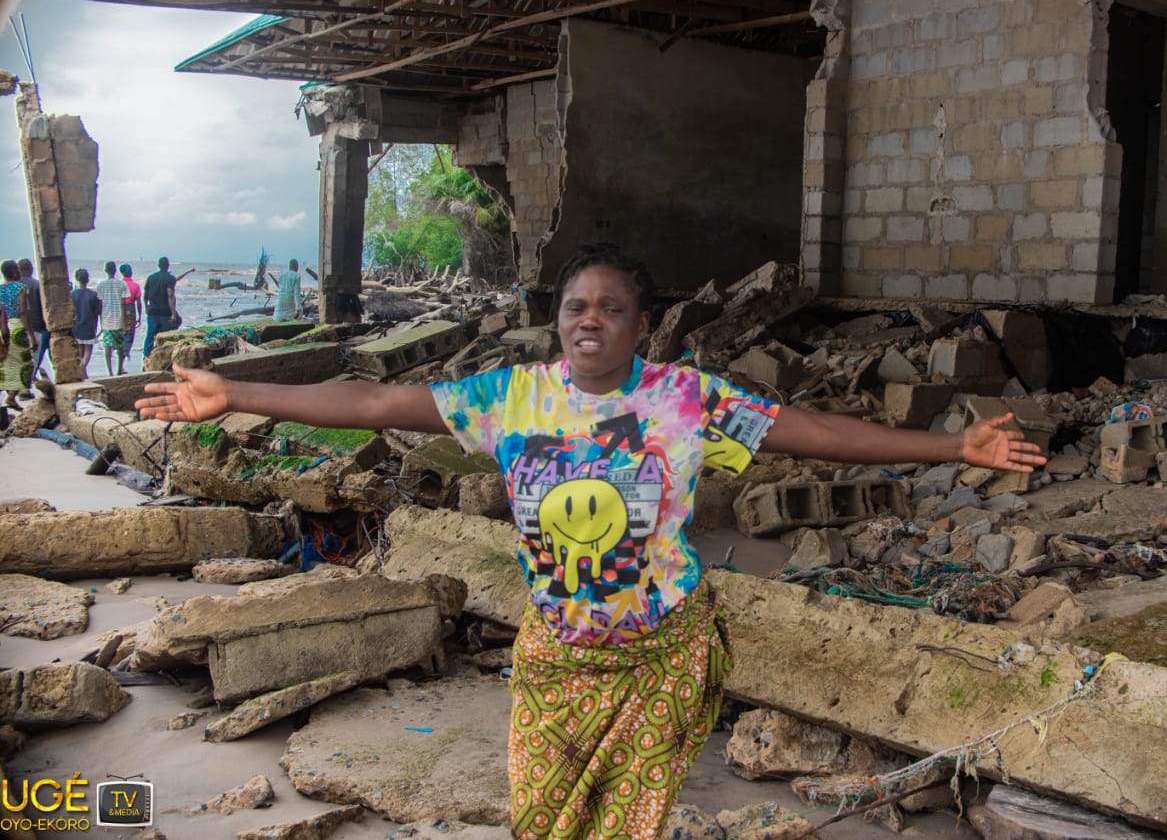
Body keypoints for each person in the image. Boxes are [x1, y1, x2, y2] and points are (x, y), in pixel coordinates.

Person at [137, 243, 1045, 839]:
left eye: (612, 308)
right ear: (557, 318)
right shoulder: (511, 399)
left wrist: (952, 444)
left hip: (662, 652)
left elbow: (822, 435)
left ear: (642, 326)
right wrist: (240, 393)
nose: (590, 318)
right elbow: (373, 402)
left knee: (623, 829)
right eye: (576, 305)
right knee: (542, 822)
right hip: (556, 656)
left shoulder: (686, 401)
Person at [0, 260, 34, 410]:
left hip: (1, 328)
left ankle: (10, 397)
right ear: (14, 272)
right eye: (18, 270)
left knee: (4, 363)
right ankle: (11, 396)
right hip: (15, 328)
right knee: (27, 364)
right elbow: (23, 312)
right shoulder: (21, 288)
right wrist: (31, 335)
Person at [17, 258, 48, 391]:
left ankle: (17, 390)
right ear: (30, 269)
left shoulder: (11, 286)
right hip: (35, 326)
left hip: (16, 327)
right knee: (32, 360)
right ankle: (24, 390)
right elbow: (44, 307)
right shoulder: (36, 285)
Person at [142, 256, 179, 358]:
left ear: (158, 265)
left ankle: (146, 356)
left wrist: (146, 307)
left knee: (150, 335)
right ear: (168, 266)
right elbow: (170, 295)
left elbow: (145, 295)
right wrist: (173, 313)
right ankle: (163, 357)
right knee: (165, 335)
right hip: (165, 312)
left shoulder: (151, 277)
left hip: (152, 311)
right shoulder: (170, 278)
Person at [97, 261, 129, 376]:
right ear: (115, 270)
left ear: (106, 270)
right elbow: (123, 304)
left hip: (106, 320)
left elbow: (100, 304)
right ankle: (119, 368)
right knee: (120, 346)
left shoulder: (101, 285)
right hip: (119, 319)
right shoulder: (122, 285)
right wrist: (125, 323)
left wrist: (100, 321)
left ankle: (110, 372)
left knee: (107, 346)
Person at [70, 267, 100, 373]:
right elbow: (96, 312)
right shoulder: (93, 295)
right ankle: (82, 369)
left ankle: (82, 372)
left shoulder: (73, 294)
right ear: (88, 279)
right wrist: (97, 326)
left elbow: (71, 312)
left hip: (77, 326)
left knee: (80, 351)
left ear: (77, 279)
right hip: (89, 325)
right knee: (88, 351)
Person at [119, 263, 142, 367]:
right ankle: (124, 358)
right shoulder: (135, 285)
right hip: (130, 310)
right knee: (129, 335)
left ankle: (120, 363)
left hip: (120, 310)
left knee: (121, 336)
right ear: (130, 272)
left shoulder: (119, 284)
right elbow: (138, 302)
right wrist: (139, 316)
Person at [273, 258, 303, 322]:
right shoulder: (297, 276)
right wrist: (298, 308)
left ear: (289, 266)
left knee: (279, 316)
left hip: (280, 300)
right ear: (296, 266)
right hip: (290, 301)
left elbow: (280, 289)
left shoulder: (282, 276)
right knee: (299, 312)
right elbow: (296, 294)